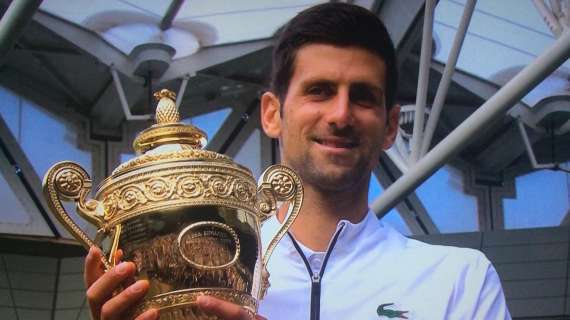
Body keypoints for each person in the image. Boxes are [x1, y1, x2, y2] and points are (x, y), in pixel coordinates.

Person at [83, 3, 511, 320]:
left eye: (362, 96)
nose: (341, 115)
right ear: (272, 113)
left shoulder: (459, 280)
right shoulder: (201, 276)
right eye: (319, 90)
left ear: (390, 125)